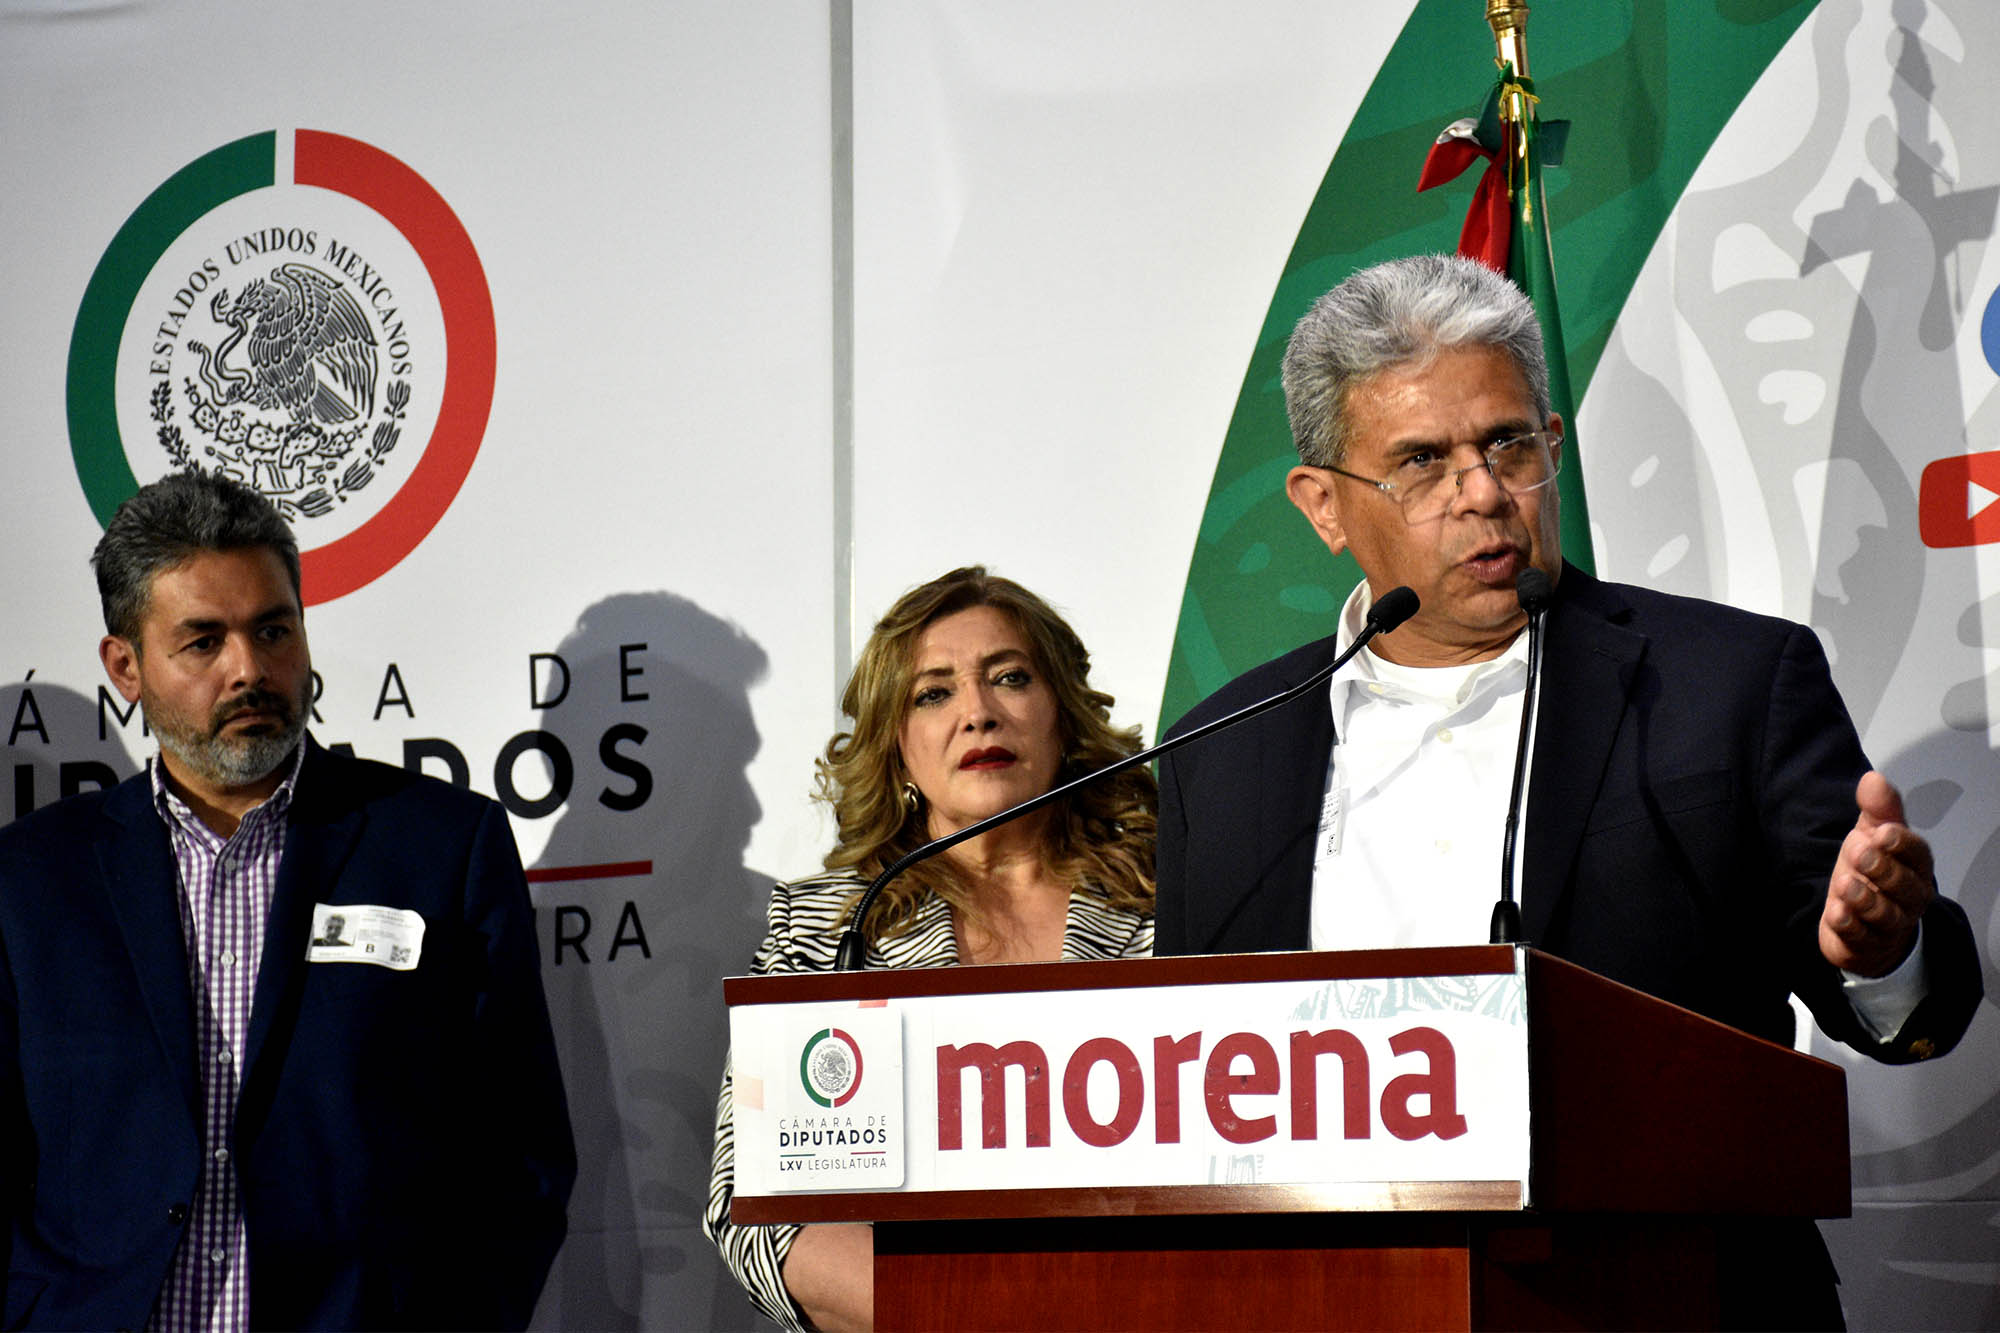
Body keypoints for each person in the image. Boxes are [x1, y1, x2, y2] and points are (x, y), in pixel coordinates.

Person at [1155, 254, 1981, 1328]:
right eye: (1420, 461)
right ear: (1321, 505)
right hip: (1324, 1295)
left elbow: (1904, 1008)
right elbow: (1183, 1072)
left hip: (1677, 1294)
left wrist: (1880, 952)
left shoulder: (1724, 681)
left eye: (1508, 443)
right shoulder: (1220, 749)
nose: (1484, 493)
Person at [0, 471, 575, 1331]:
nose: (251, 669)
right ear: (126, 664)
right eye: (203, 642)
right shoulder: (32, 880)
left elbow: (518, 1157)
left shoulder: (440, 847)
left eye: (274, 629)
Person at [704, 566, 1156, 1332]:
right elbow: (753, 1209)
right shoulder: (828, 929)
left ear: (1061, 713)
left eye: (1009, 678)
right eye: (934, 692)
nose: (978, 713)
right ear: (898, 743)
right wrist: (978, 1313)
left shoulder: (1170, 906)